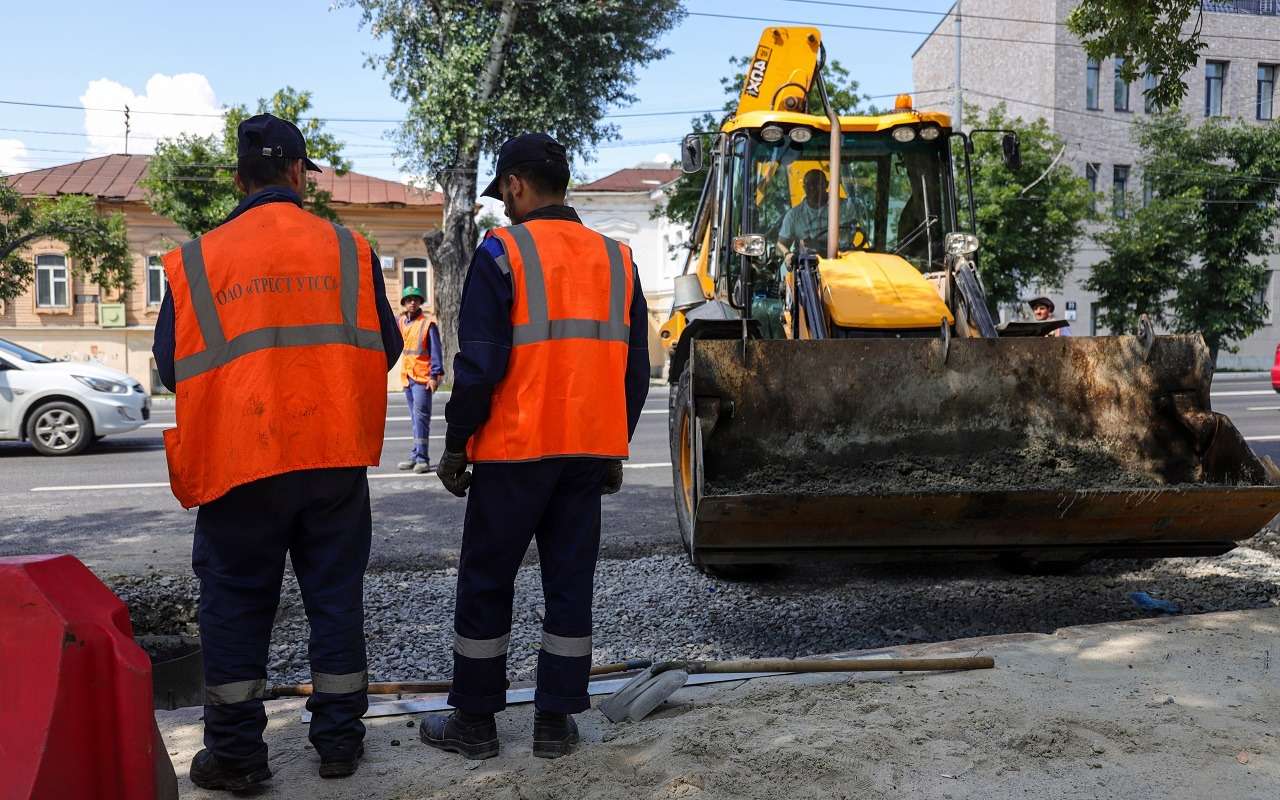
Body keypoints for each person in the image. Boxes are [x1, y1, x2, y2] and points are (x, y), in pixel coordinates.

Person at [151, 113, 402, 791]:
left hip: (239, 460)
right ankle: (340, 743)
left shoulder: (196, 260)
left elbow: (172, 368)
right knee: (335, 598)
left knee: (234, 605)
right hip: (332, 455)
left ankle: (236, 756)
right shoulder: (349, 250)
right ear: (297, 174)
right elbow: (387, 348)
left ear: (239, 179)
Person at [421, 133, 649, 760]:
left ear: (516, 185)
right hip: (585, 455)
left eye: (504, 194)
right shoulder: (618, 258)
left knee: (487, 582)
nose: (504, 205)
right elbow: (634, 370)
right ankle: (554, 723)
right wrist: (613, 448)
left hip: (513, 452)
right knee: (569, 585)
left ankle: (475, 724)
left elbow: (479, 364)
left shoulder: (503, 252)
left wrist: (457, 444)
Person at [396, 284, 444, 473]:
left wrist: (434, 376)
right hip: (407, 377)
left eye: (415, 299)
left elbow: (436, 352)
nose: (412, 303)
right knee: (415, 419)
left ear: (420, 302)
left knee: (421, 419)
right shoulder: (402, 322)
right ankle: (416, 455)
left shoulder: (427, 324)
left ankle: (422, 459)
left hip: (423, 379)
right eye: (409, 300)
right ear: (404, 303)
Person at [777, 168, 867, 255]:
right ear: (804, 188)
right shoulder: (793, 216)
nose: (812, 187)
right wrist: (787, 254)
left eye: (818, 184)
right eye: (809, 184)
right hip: (810, 262)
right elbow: (780, 247)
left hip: (845, 258)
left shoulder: (846, 207)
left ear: (827, 185)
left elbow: (868, 221)